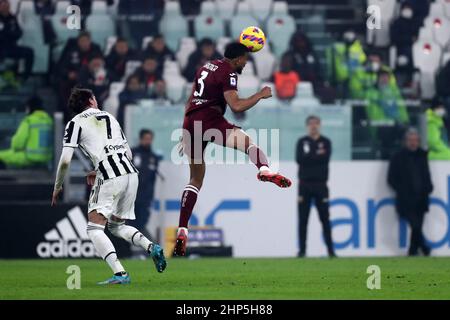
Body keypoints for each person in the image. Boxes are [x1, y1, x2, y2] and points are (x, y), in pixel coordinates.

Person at [174, 42, 292, 256]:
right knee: (249, 144)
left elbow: (190, 100)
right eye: (245, 59)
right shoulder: (228, 73)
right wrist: (260, 95)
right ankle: (264, 170)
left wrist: (185, 133)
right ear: (237, 59)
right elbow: (236, 106)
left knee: (195, 180)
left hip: (190, 122)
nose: (246, 63)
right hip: (210, 119)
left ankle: (182, 228)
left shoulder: (205, 67)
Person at [51, 87, 166, 285]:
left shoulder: (75, 123)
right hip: (131, 174)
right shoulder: (110, 117)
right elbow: (127, 153)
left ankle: (120, 274)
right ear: (91, 101)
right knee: (116, 226)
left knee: (94, 229)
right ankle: (151, 247)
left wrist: (58, 186)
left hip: (110, 176)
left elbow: (65, 160)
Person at [388, 128, 433, 256]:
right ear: (405, 141)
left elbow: (426, 174)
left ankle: (415, 250)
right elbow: (391, 178)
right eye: (410, 140)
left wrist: (429, 186)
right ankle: (421, 248)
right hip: (406, 199)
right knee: (415, 225)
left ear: (418, 141)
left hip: (421, 197)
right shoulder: (397, 157)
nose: (413, 143)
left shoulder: (422, 155)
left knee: (417, 226)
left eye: (415, 140)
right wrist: (402, 190)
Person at [295, 115, 335, 258]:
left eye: (316, 123)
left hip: (321, 186)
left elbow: (324, 159)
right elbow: (299, 160)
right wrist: (316, 155)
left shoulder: (326, 142)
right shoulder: (302, 142)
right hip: (304, 185)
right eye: (311, 124)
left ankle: (331, 251)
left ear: (320, 125)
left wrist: (310, 156)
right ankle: (302, 251)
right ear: (307, 126)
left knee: (325, 219)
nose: (313, 126)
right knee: (303, 220)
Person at [0, 95, 53, 169]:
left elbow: (18, 143)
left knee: (1, 156)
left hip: (29, 157)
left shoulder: (29, 120)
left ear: (30, 107)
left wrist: (14, 147)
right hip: (46, 158)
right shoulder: (49, 120)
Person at [130, 129, 162, 240]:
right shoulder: (132, 153)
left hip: (146, 198)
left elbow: (152, 180)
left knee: (142, 223)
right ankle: (129, 250)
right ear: (141, 139)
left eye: (150, 139)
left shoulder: (153, 157)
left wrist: (150, 195)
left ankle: (142, 249)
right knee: (130, 223)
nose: (148, 141)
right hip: (131, 196)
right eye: (146, 139)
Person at [0, 0, 34, 80]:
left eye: (7, 6)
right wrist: (8, 33)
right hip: (1, 48)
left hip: (11, 47)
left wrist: (7, 33)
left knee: (29, 52)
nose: (6, 8)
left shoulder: (12, 18)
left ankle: (25, 78)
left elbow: (18, 33)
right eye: (3, 6)